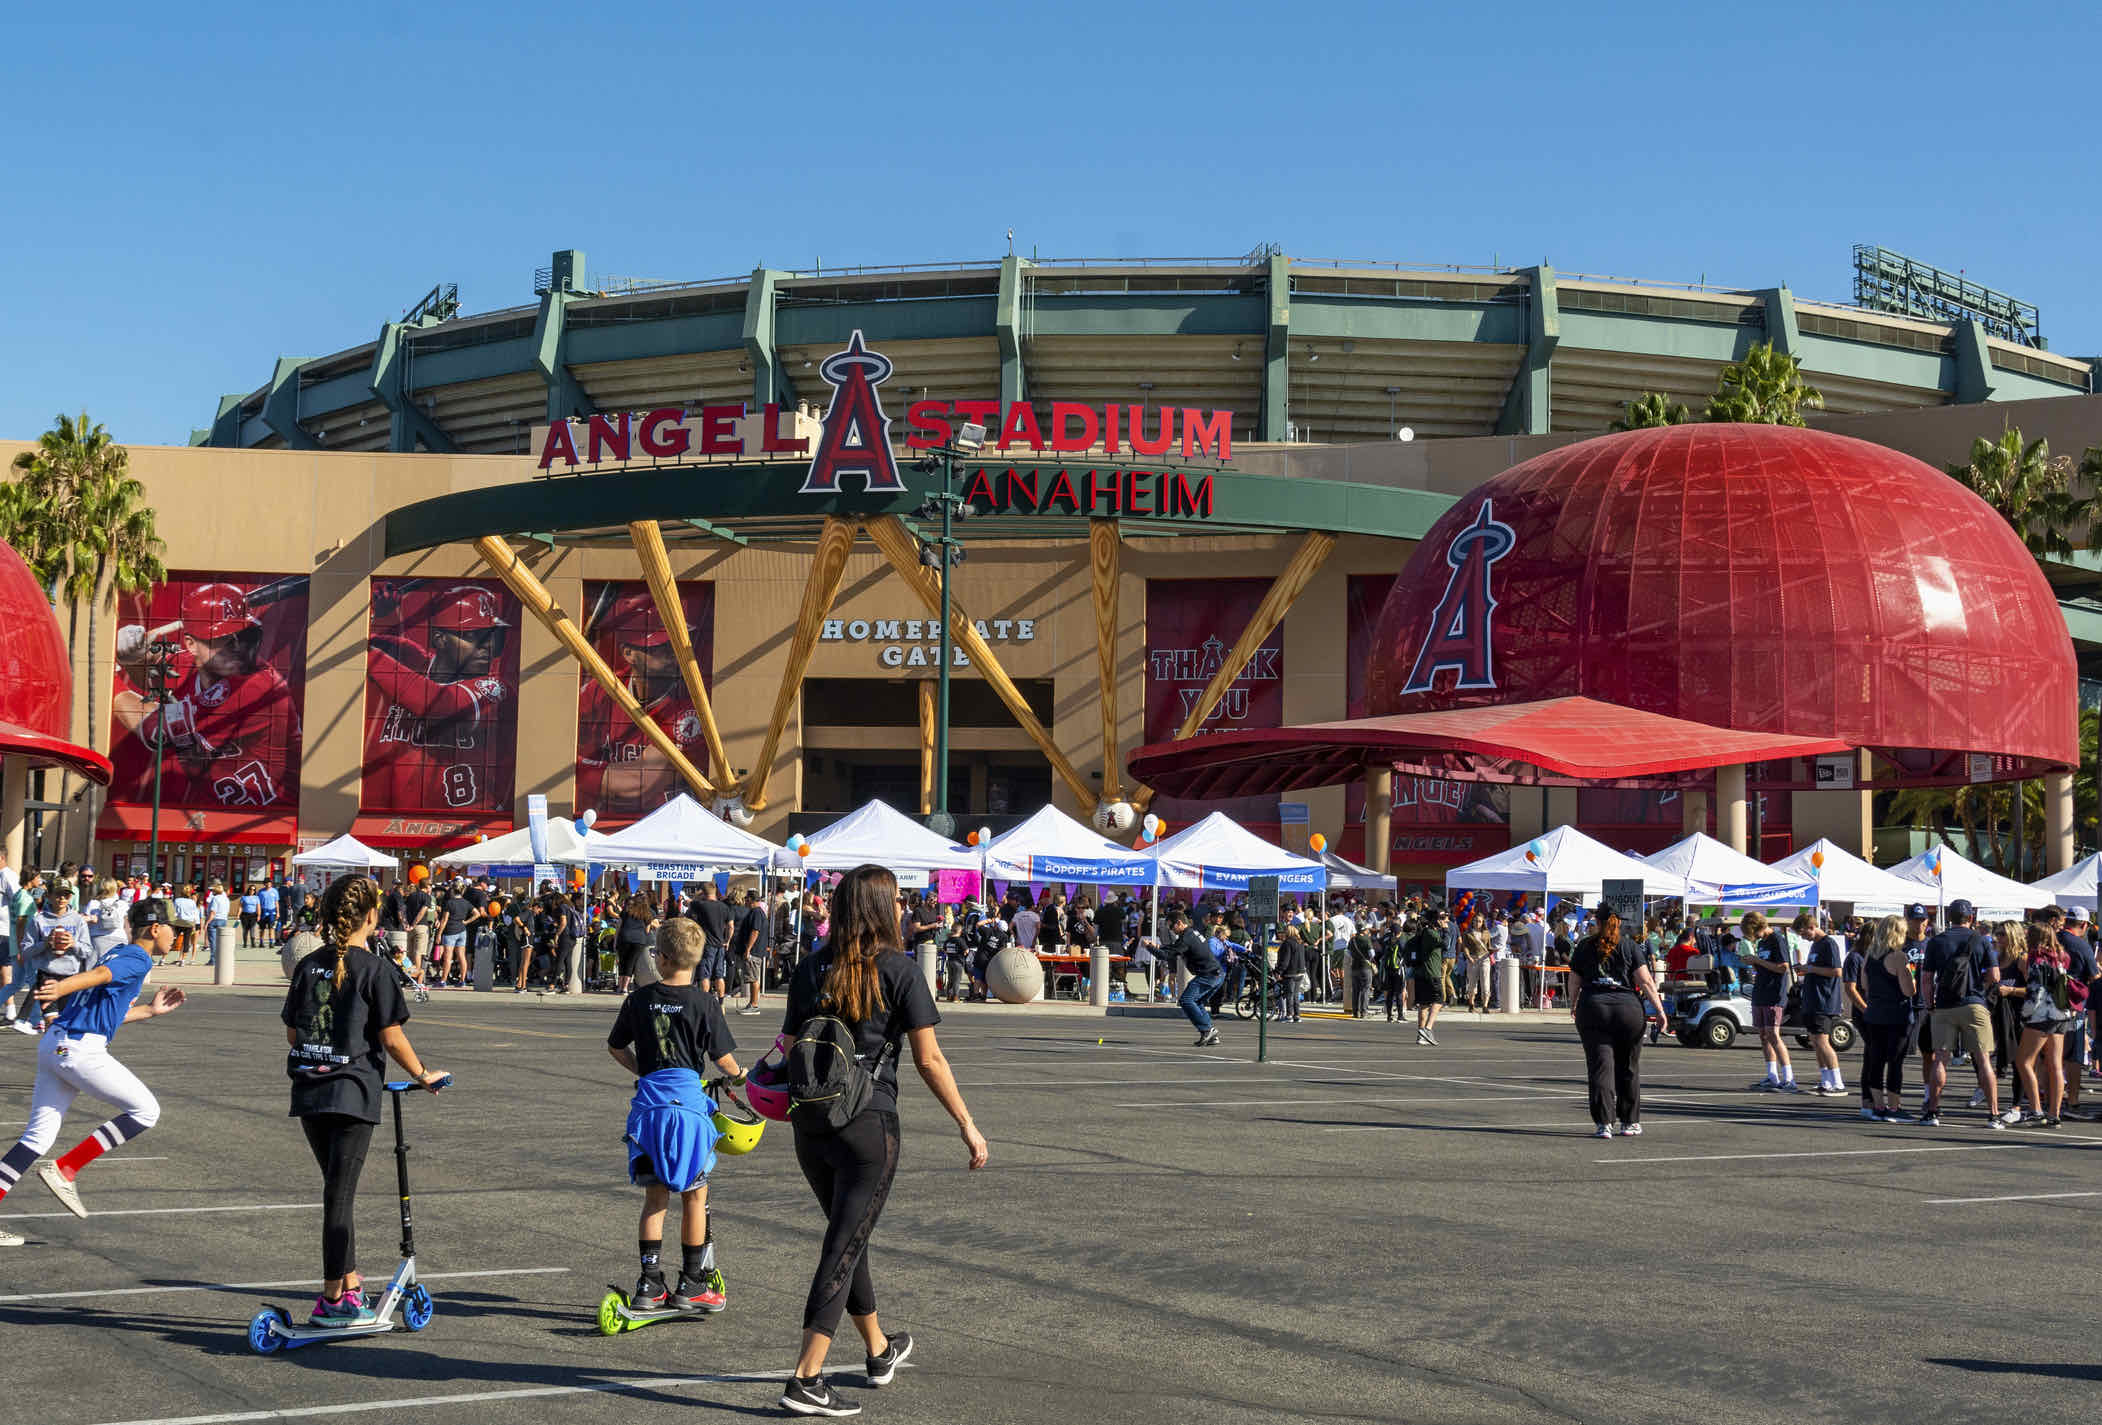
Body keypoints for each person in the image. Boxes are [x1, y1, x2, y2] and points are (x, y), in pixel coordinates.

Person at [777, 866, 986, 1418]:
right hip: (868, 1122)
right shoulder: (898, 970)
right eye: (897, 900)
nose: (903, 908)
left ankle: (877, 1350)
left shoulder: (809, 968)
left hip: (811, 1122)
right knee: (843, 1243)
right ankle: (805, 1377)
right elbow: (928, 1058)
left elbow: (788, 1044)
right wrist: (966, 1122)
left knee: (850, 1234)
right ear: (879, 908)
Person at [283, 875, 448, 1323]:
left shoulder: (308, 965)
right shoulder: (373, 969)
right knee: (338, 1196)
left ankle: (349, 1284)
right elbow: (391, 1037)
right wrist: (422, 1074)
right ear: (373, 917)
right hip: (351, 1091)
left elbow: (294, 1031)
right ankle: (332, 1298)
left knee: (338, 1191)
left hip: (311, 1087)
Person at [0, 896, 185, 1246]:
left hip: (57, 1044)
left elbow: (104, 1011)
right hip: (80, 1050)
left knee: (36, 1138)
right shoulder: (136, 956)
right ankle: (67, 1168)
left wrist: (148, 1011)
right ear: (156, 928)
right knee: (146, 1110)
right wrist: (62, 986)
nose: (176, 937)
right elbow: (98, 976)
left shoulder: (119, 952)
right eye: (174, 929)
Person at [606, 918, 744, 1312]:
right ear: (697, 960)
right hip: (688, 1113)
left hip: (650, 1111)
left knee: (655, 1200)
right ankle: (692, 1281)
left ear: (662, 959)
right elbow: (724, 1059)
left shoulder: (638, 999)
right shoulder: (705, 1002)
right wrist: (743, 1074)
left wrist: (644, 1071)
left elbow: (616, 1046)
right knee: (695, 1196)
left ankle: (650, 1283)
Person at [1569, 906, 1668, 1139]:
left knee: (1600, 1067)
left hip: (1594, 1007)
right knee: (1629, 1067)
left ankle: (1604, 1123)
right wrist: (1660, 1010)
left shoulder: (1584, 946)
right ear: (1618, 923)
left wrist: (1574, 1005)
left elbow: (1574, 982)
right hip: (1628, 1009)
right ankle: (1630, 1122)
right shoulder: (1629, 946)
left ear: (1597, 921)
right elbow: (1646, 982)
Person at [1920, 898, 2000, 1127]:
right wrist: (1981, 990)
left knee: (1940, 1058)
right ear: (1971, 918)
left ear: (1949, 917)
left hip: (1945, 1005)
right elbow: (1995, 975)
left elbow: (1926, 978)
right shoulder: (1981, 941)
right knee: (1983, 1058)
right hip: (1974, 1003)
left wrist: (1929, 1004)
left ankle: (1933, 1111)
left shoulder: (1937, 941)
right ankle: (1993, 1114)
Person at [2004, 922, 2074, 1126]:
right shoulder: (2062, 956)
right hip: (2061, 1013)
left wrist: (2026, 1014)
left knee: (2023, 1061)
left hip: (2041, 1014)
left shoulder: (2036, 958)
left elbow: (2035, 990)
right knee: (2055, 1064)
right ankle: (2054, 1113)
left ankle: (2035, 1109)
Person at [1855, 915, 1916, 1123]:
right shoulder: (1899, 957)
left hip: (1874, 1014)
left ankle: (1878, 1105)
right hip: (1897, 1016)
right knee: (1895, 1062)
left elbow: (1865, 986)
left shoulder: (1869, 956)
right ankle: (1894, 1106)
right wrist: (1911, 977)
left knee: (1876, 1060)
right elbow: (1908, 991)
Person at [1740, 911, 1798, 1093]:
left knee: (1773, 1034)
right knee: (1763, 1036)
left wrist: (1757, 960)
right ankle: (1772, 1076)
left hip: (1774, 993)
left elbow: (1783, 967)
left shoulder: (1777, 939)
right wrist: (1753, 962)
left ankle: (1789, 1078)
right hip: (1761, 991)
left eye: (1751, 931)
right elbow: (1766, 965)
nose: (1752, 936)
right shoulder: (1762, 942)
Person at [1799, 918, 1850, 1097]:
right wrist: (1806, 969)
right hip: (1812, 999)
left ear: (1812, 927)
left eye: (1805, 933)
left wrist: (1811, 969)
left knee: (1822, 1041)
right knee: (1815, 1041)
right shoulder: (1815, 945)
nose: (1803, 937)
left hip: (1825, 1000)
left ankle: (1838, 1082)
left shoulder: (1829, 944)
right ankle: (1826, 1081)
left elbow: (1837, 971)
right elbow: (1816, 968)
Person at [1164, 908, 1224, 1047]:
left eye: (1171, 926)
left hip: (1209, 974)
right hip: (1216, 973)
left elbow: (1167, 955)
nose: (1171, 929)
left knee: (1186, 1000)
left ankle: (1207, 1029)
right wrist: (1158, 947)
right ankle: (1211, 1034)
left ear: (1179, 923)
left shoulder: (1186, 937)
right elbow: (1172, 948)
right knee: (1197, 1002)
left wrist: (1149, 947)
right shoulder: (1191, 933)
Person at [1406, 909, 1447, 1045]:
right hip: (1431, 973)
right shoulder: (1431, 933)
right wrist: (1446, 931)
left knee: (1424, 1004)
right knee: (1439, 999)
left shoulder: (1425, 932)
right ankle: (1428, 1029)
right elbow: (1445, 944)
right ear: (1435, 919)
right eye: (1442, 917)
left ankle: (1421, 1035)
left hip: (1422, 973)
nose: (1445, 920)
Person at [690, 883, 736, 998]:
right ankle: (721, 1002)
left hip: (707, 945)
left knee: (704, 976)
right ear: (715, 892)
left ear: (703, 893)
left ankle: (705, 1002)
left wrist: (699, 896)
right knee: (719, 976)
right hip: (720, 945)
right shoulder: (725, 907)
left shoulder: (700, 905)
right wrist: (727, 940)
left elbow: (691, 902)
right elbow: (731, 926)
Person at [613, 893, 657, 995]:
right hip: (639, 940)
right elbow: (647, 930)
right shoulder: (648, 913)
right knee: (631, 963)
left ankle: (619, 987)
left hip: (624, 938)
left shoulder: (627, 910)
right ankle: (625, 988)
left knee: (622, 963)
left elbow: (618, 926)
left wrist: (615, 941)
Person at [736, 889, 770, 1015]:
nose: (745, 901)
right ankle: (752, 1003)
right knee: (752, 978)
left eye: (746, 899)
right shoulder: (758, 912)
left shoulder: (756, 912)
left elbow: (755, 931)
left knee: (754, 978)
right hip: (755, 951)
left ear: (750, 899)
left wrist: (748, 949)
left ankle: (754, 1004)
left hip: (754, 952)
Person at [1347, 922, 1377, 1019]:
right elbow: (1372, 954)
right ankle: (1363, 1011)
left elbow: (1348, 953)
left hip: (1354, 966)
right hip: (1365, 967)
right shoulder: (1366, 940)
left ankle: (1355, 1011)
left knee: (1355, 990)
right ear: (1364, 930)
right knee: (1365, 989)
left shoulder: (1352, 940)